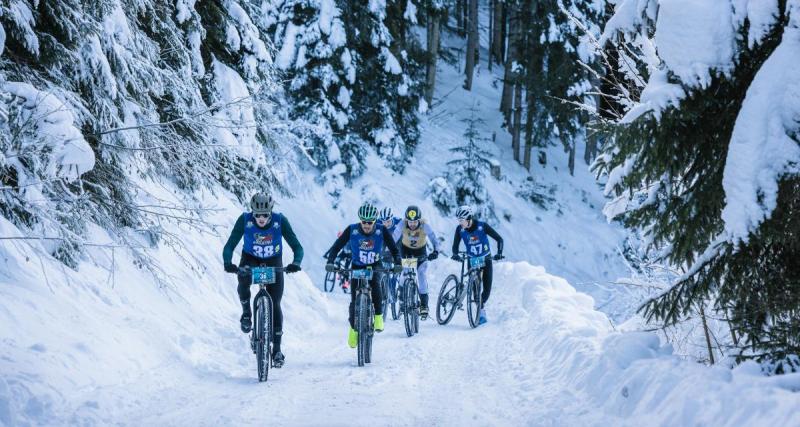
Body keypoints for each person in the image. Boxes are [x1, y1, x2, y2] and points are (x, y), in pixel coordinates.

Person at [223, 192, 303, 367]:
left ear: (271, 212)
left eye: (265, 215)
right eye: (257, 214)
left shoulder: (280, 221)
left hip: (274, 261)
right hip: (250, 259)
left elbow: (297, 246)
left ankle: (277, 350)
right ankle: (246, 314)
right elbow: (230, 245)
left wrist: (295, 263)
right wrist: (228, 262)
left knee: (275, 303)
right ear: (252, 211)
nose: (261, 218)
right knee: (243, 277)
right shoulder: (245, 220)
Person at [325, 203, 402, 348]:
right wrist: (331, 261)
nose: (366, 225)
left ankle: (378, 317)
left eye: (370, 222)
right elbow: (336, 246)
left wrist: (398, 263)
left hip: (375, 265)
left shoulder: (381, 230)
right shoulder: (352, 230)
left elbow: (393, 248)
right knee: (354, 300)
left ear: (375, 221)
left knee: (376, 285)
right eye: (364, 222)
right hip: (357, 266)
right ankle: (353, 330)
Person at [450, 205, 504, 325]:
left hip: (486, 259)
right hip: (472, 260)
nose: (460, 223)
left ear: (469, 218)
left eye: (461, 220)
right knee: (475, 286)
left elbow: (499, 239)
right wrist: (455, 254)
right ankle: (481, 312)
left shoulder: (482, 226)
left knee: (487, 290)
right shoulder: (460, 230)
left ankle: (481, 304)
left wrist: (499, 253)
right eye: (459, 220)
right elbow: (455, 245)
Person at [391, 205, 441, 320]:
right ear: (406, 220)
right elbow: (394, 237)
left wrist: (436, 251)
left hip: (421, 252)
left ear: (419, 220)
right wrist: (389, 250)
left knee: (421, 274)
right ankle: (403, 298)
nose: (412, 224)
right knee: (405, 272)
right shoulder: (402, 224)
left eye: (415, 222)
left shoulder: (424, 226)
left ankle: (424, 305)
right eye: (410, 222)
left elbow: (434, 239)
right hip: (406, 251)